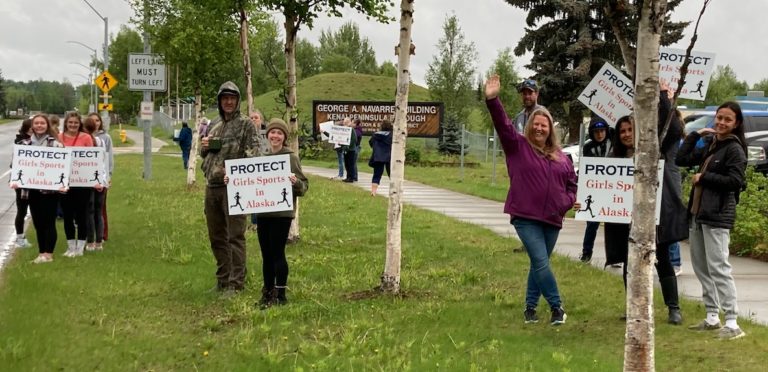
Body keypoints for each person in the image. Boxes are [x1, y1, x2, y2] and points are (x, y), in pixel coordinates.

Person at [485, 75, 576, 325]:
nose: (539, 128)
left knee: (539, 264)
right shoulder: (518, 146)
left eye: (543, 125)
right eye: (535, 124)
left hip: (552, 218)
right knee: (540, 260)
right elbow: (503, 125)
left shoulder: (561, 156)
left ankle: (530, 308)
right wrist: (493, 100)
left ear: (550, 129)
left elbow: (572, 183)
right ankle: (557, 307)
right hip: (526, 217)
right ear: (529, 127)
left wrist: (566, 202)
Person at [602, 83, 687, 325]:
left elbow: (672, 130)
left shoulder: (653, 150)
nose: (627, 134)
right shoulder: (614, 159)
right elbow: (602, 189)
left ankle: (673, 308)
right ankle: (634, 308)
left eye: (631, 129)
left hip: (653, 217)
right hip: (626, 221)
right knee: (631, 264)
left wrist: (662, 97)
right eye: (623, 131)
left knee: (662, 259)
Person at [675, 101, 748, 340]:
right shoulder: (711, 144)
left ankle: (732, 321)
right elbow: (681, 159)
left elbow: (735, 181)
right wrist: (695, 134)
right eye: (719, 118)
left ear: (736, 123)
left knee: (719, 268)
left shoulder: (734, 149)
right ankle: (711, 316)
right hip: (699, 214)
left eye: (727, 119)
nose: (721, 123)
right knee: (701, 267)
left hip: (718, 215)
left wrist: (704, 177)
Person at [200, 81, 261, 296]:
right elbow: (205, 154)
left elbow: (254, 155)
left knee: (235, 236)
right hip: (211, 187)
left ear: (237, 101)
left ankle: (236, 283)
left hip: (234, 189)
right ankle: (223, 279)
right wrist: (204, 147)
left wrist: (232, 174)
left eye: (232, 98)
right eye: (224, 98)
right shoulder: (215, 123)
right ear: (219, 100)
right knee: (216, 237)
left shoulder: (246, 124)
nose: (228, 102)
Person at [253, 118, 308, 308]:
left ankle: (281, 294)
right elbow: (249, 183)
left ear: (284, 137)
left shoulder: (290, 158)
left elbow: (304, 186)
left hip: (282, 214)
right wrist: (232, 181)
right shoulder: (261, 157)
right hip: (263, 213)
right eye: (272, 132)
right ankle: (267, 292)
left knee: (277, 253)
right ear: (267, 135)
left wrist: (295, 183)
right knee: (266, 254)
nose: (275, 136)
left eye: (279, 133)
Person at [12, 114, 65, 263]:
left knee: (49, 221)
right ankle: (41, 253)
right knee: (37, 222)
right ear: (32, 126)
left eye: (42, 123)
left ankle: (49, 254)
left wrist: (62, 183)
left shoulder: (56, 145)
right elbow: (16, 166)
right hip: (31, 189)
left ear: (47, 125)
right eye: (37, 123)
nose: (40, 126)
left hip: (50, 191)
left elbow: (63, 167)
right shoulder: (24, 145)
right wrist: (15, 180)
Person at [58, 112, 97, 257]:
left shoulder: (86, 138)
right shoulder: (59, 137)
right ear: (66, 123)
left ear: (79, 124)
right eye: (70, 122)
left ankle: (80, 246)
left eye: (75, 122)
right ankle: (70, 246)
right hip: (65, 182)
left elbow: (93, 160)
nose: (73, 125)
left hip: (82, 182)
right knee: (67, 215)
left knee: (82, 215)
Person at [579, 117, 613, 263]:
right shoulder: (588, 147)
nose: (600, 134)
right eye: (596, 132)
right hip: (596, 189)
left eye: (602, 131)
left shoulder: (613, 142)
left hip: (614, 188)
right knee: (592, 223)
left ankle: (614, 256)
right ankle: (587, 252)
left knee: (613, 224)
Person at [83, 115, 107, 251]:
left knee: (91, 212)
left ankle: (92, 241)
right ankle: (98, 241)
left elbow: (102, 162)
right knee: (97, 211)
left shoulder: (98, 141)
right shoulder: (99, 141)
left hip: (91, 181)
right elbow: (103, 163)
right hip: (98, 180)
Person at [89, 113, 114, 242]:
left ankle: (103, 235)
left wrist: (108, 176)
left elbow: (109, 158)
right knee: (88, 208)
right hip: (86, 179)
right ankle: (90, 235)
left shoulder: (106, 138)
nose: (95, 123)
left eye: (97, 120)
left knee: (100, 207)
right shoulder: (83, 136)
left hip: (101, 178)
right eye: (92, 120)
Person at [12, 118, 33, 248]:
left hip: (38, 182)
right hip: (23, 183)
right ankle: (20, 238)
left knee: (38, 211)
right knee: (22, 211)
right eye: (32, 127)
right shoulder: (21, 142)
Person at [249, 110, 265, 231]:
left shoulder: (267, 134)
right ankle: (254, 222)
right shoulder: (246, 135)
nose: (254, 119)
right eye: (251, 118)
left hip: (265, 171)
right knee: (253, 195)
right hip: (250, 170)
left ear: (261, 120)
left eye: (256, 117)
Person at [369, 119, 392, 196]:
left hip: (378, 156)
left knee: (377, 174)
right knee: (392, 174)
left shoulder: (375, 134)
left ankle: (373, 191)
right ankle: (394, 191)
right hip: (389, 156)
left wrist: (376, 149)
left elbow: (371, 142)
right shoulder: (391, 135)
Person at [342, 117, 359, 183]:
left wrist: (348, 146)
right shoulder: (344, 130)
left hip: (351, 150)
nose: (344, 123)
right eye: (344, 122)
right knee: (346, 164)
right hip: (345, 150)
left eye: (346, 122)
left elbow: (354, 140)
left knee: (351, 164)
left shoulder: (351, 130)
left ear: (349, 122)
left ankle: (351, 177)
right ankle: (348, 177)